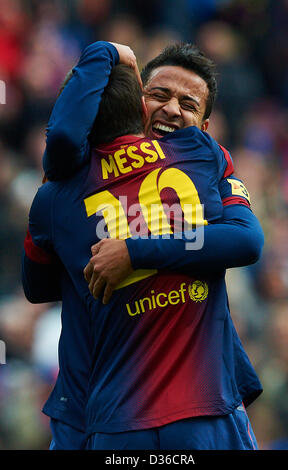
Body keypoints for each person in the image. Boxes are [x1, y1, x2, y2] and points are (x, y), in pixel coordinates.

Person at [23, 41, 264, 450]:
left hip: (188, 403)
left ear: (204, 127)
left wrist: (133, 251)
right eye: (159, 95)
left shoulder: (203, 160)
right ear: (137, 102)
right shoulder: (65, 184)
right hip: (89, 407)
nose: (172, 109)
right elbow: (39, 288)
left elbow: (246, 240)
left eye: (188, 104)